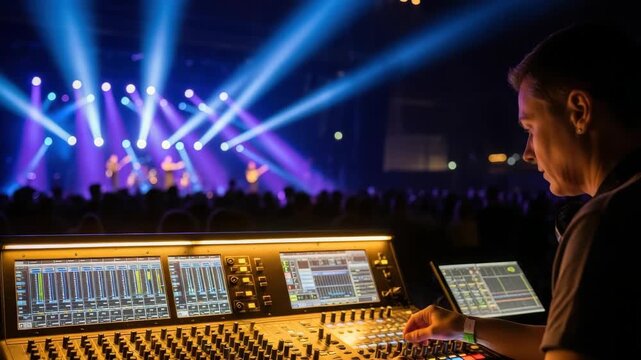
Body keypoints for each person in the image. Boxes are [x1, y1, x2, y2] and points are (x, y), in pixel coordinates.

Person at [402, 24, 641, 359]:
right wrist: (465, 327)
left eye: (530, 128)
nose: (528, 152)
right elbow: (575, 341)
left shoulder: (603, 223)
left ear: (579, 112)